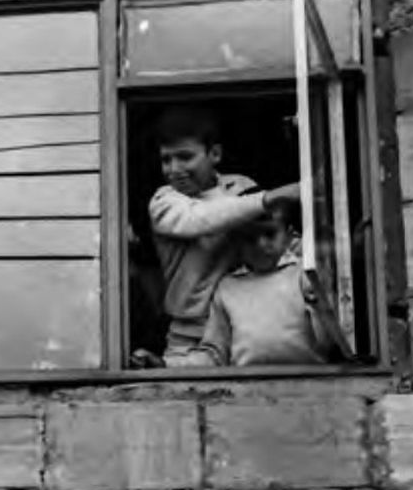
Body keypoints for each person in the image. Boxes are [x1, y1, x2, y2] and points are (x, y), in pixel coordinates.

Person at [141, 107, 300, 365]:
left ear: (214, 154)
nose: (174, 169)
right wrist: (270, 198)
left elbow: (278, 236)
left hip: (247, 323)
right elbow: (201, 219)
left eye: (185, 157)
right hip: (190, 337)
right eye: (166, 159)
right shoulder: (164, 201)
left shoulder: (241, 187)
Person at [163, 198, 348, 367]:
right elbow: (214, 355)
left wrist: (320, 299)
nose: (260, 244)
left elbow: (330, 343)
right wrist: (167, 365)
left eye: (270, 234)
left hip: (312, 383)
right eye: (249, 237)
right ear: (237, 242)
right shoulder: (228, 287)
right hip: (247, 388)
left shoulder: (304, 276)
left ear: (289, 236)